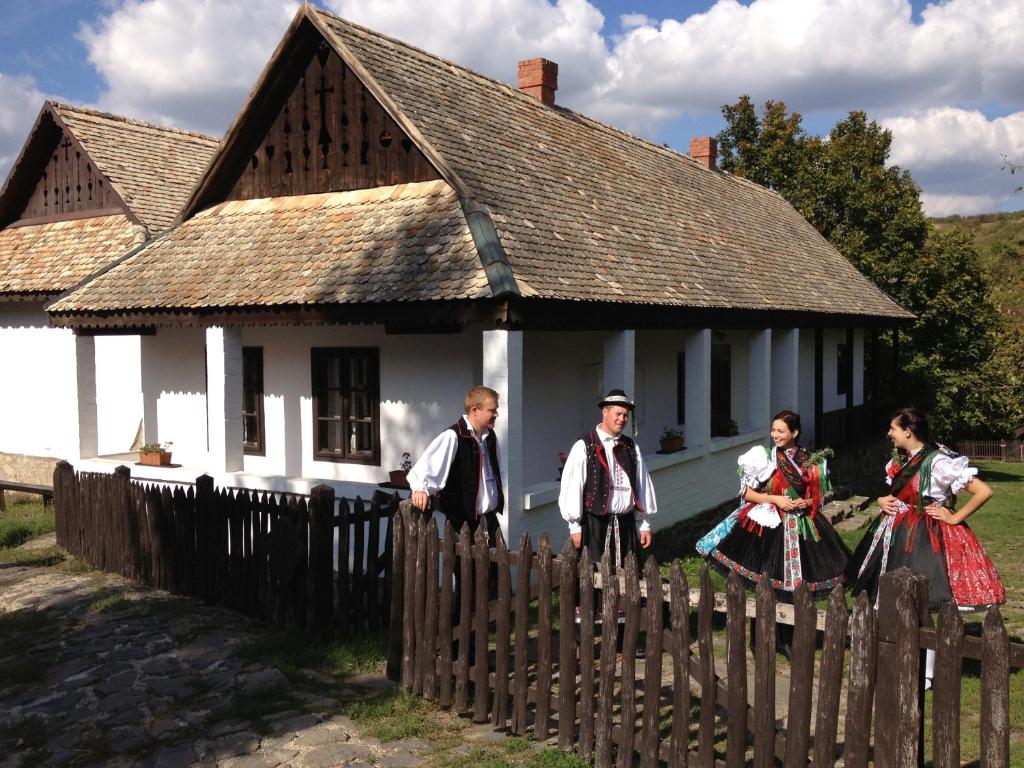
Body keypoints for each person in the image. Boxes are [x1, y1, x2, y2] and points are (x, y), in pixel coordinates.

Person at [847, 407, 1005, 612]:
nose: (889, 433)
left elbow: (983, 491)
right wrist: (881, 500)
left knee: (916, 592)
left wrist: (955, 517)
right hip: (895, 530)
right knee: (889, 589)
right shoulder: (903, 458)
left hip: (921, 534)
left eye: (893, 428)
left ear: (907, 431)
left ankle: (921, 638)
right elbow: (898, 492)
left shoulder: (937, 462)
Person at [696, 410, 850, 599]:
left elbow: (817, 498)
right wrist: (776, 499)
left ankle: (794, 619)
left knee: (800, 584)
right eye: (773, 430)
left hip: (802, 523)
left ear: (794, 433)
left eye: (781, 431)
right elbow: (747, 493)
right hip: (770, 523)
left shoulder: (810, 460)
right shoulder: (764, 458)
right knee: (769, 577)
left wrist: (806, 501)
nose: (775, 435)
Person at [559, 389, 656, 571]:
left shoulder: (631, 447)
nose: (622, 419)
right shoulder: (584, 445)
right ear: (605, 412)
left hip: (626, 525)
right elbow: (572, 487)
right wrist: (574, 527)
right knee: (594, 578)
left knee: (628, 578)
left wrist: (644, 524)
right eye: (618, 414)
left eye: (626, 415)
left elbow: (643, 485)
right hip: (595, 525)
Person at [407, 385, 503, 543]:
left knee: (495, 567)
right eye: (491, 410)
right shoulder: (453, 436)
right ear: (474, 410)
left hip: (490, 522)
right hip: (463, 526)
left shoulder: (490, 437)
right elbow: (427, 467)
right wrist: (420, 488)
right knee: (464, 568)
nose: (496, 414)